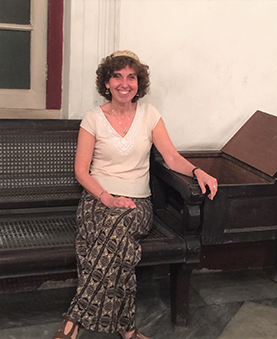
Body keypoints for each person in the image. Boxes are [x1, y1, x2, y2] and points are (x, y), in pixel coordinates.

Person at [52, 50, 218, 339]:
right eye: (117, 76)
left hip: (137, 203)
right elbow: (81, 172)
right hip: (97, 199)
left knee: (113, 234)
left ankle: (74, 320)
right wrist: (106, 198)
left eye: (131, 77)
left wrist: (196, 171)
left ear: (139, 84)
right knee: (122, 246)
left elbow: (171, 157)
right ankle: (127, 328)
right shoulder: (93, 119)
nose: (124, 83)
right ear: (106, 82)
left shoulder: (149, 115)